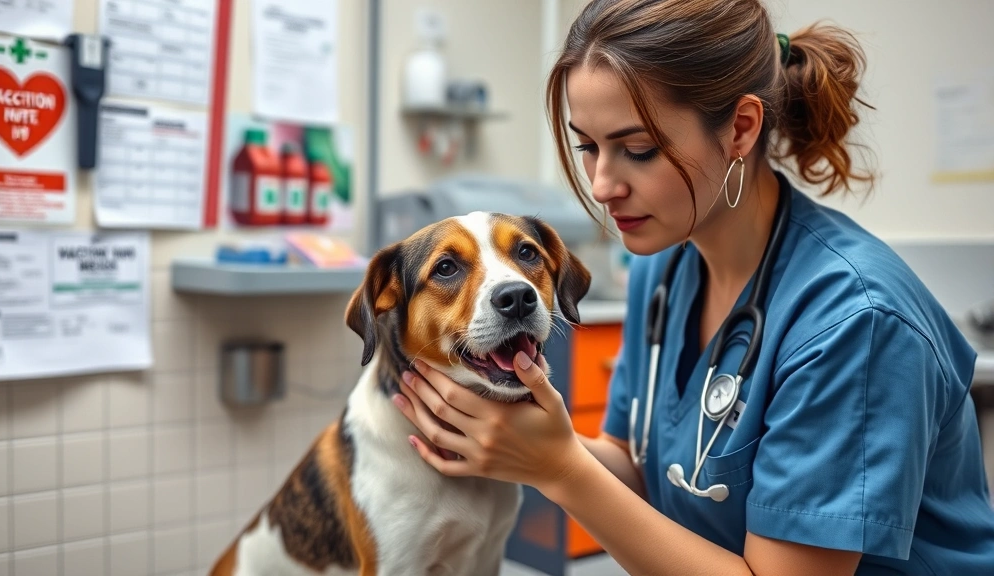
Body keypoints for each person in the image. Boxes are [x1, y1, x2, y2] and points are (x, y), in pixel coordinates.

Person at [390, 0, 994, 573]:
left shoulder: (853, 322)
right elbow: (635, 466)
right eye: (589, 147)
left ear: (740, 129)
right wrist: (526, 441)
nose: (602, 185)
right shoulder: (664, 265)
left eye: (638, 149)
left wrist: (560, 469)